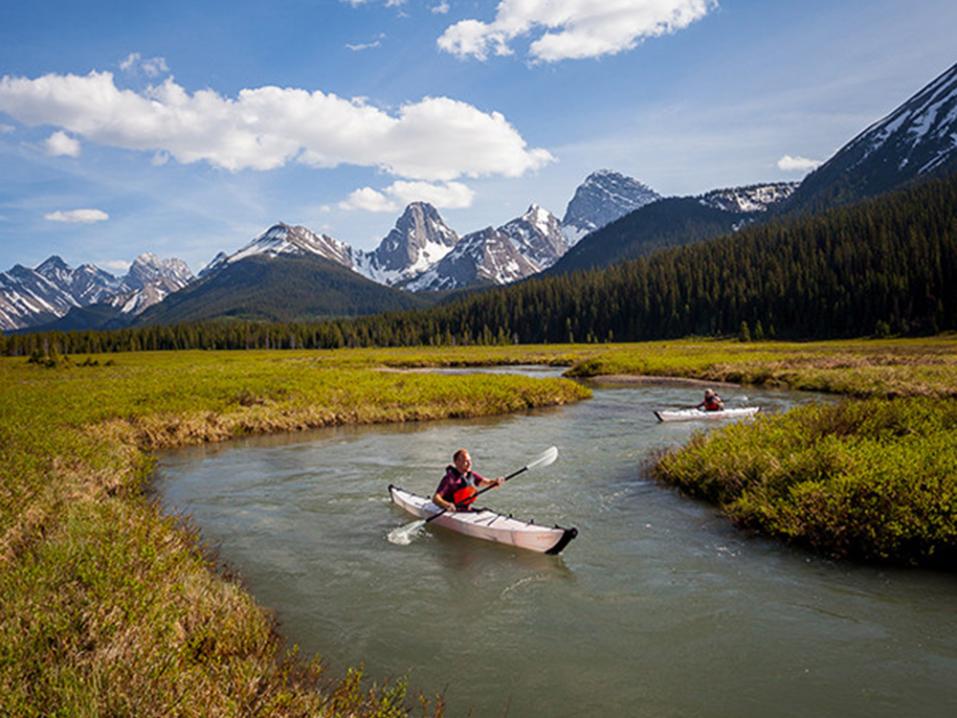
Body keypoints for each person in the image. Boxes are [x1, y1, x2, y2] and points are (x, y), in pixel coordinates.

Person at [432, 448, 503, 513]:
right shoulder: (450, 479)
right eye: (466, 461)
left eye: (470, 461)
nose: (469, 464)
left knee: (485, 511)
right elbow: (435, 498)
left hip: (465, 508)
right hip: (450, 510)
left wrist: (495, 482)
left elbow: (484, 482)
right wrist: (446, 505)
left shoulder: (471, 475)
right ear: (456, 462)